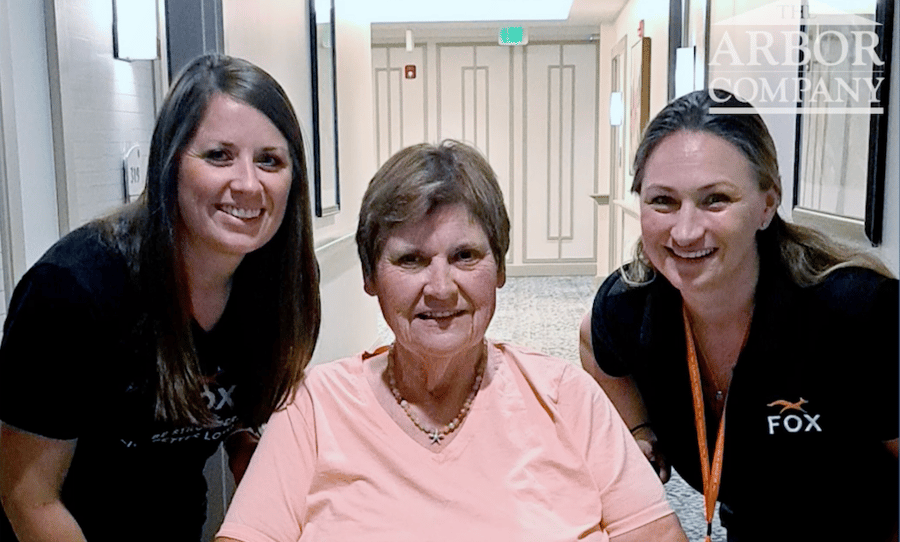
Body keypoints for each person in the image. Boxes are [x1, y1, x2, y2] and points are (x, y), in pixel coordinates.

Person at [215, 140, 687, 542]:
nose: (440, 288)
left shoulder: (568, 398)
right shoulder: (312, 409)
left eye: (465, 256)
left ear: (499, 269)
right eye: (411, 260)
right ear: (370, 277)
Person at [0, 54, 321, 541]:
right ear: (171, 164)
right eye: (218, 155)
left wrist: (243, 446)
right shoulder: (71, 291)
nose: (248, 183)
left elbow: (223, 401)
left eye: (270, 160)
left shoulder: (279, 285)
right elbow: (29, 497)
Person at [579, 89, 898, 542]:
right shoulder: (628, 304)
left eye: (715, 200)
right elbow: (594, 341)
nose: (686, 232)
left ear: (767, 204)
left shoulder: (858, 312)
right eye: (663, 201)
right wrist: (639, 428)